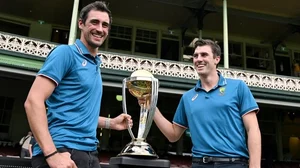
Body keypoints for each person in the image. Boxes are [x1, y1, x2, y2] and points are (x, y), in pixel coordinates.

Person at [24, 1, 132, 168]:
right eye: (94, 22)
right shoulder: (65, 53)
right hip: (62, 150)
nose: (100, 29)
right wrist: (52, 154)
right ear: (81, 24)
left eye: (105, 25)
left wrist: (111, 123)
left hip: (89, 154)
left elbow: (76, 113)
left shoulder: (95, 64)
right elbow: (33, 102)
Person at [151, 39, 261, 168]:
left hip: (233, 163)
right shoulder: (187, 97)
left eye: (204, 55)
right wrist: (151, 106)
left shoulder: (238, 87)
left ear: (217, 59)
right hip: (200, 164)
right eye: (195, 56)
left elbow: (252, 129)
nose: (198, 59)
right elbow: (173, 135)